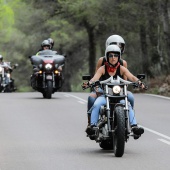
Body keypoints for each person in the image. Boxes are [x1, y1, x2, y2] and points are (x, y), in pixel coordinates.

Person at [83, 45, 145, 139]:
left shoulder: (122, 68)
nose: (113, 58)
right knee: (96, 104)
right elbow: (95, 78)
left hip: (119, 96)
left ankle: (134, 127)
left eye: (115, 55)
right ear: (107, 57)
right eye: (110, 55)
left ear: (119, 57)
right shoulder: (102, 68)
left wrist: (139, 82)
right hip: (105, 95)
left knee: (128, 105)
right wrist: (88, 83)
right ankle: (92, 127)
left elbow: (131, 77)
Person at [87, 35, 134, 126]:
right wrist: (96, 89)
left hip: (118, 89)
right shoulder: (102, 60)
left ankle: (128, 117)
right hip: (102, 88)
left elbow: (125, 79)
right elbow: (97, 76)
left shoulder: (123, 63)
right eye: (114, 45)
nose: (117, 47)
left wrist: (124, 88)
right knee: (91, 98)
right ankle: (90, 122)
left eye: (120, 46)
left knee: (131, 97)